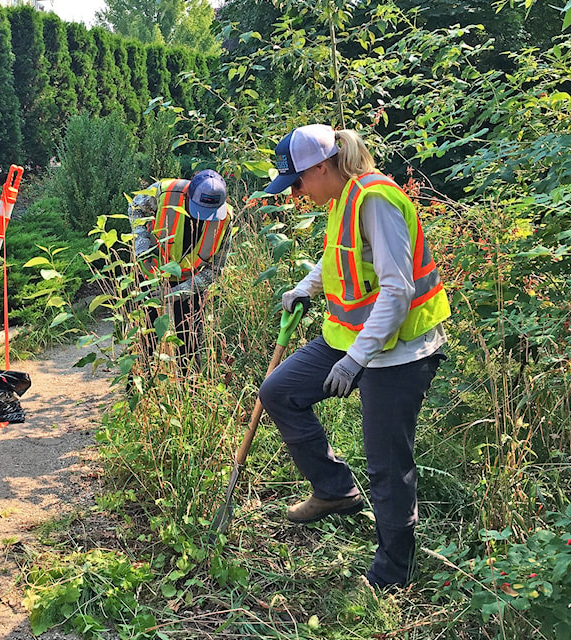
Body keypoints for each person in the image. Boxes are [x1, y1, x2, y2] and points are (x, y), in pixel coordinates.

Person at [257, 124, 451, 588]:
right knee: (278, 392)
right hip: (353, 342)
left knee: (386, 464)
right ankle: (335, 490)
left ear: (322, 167)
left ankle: (393, 574)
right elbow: (338, 258)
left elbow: (397, 290)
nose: (296, 193)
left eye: (298, 182)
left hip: (400, 352)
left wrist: (355, 361)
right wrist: (304, 288)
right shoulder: (343, 197)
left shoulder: (377, 200)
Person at [128, 169, 233, 369]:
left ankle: (190, 392)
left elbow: (215, 271)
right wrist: (142, 247)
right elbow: (135, 207)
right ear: (188, 194)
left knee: (190, 344)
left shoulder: (225, 218)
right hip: (151, 273)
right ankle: (138, 388)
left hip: (190, 283)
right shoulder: (166, 191)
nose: (204, 218)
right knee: (146, 337)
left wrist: (175, 293)